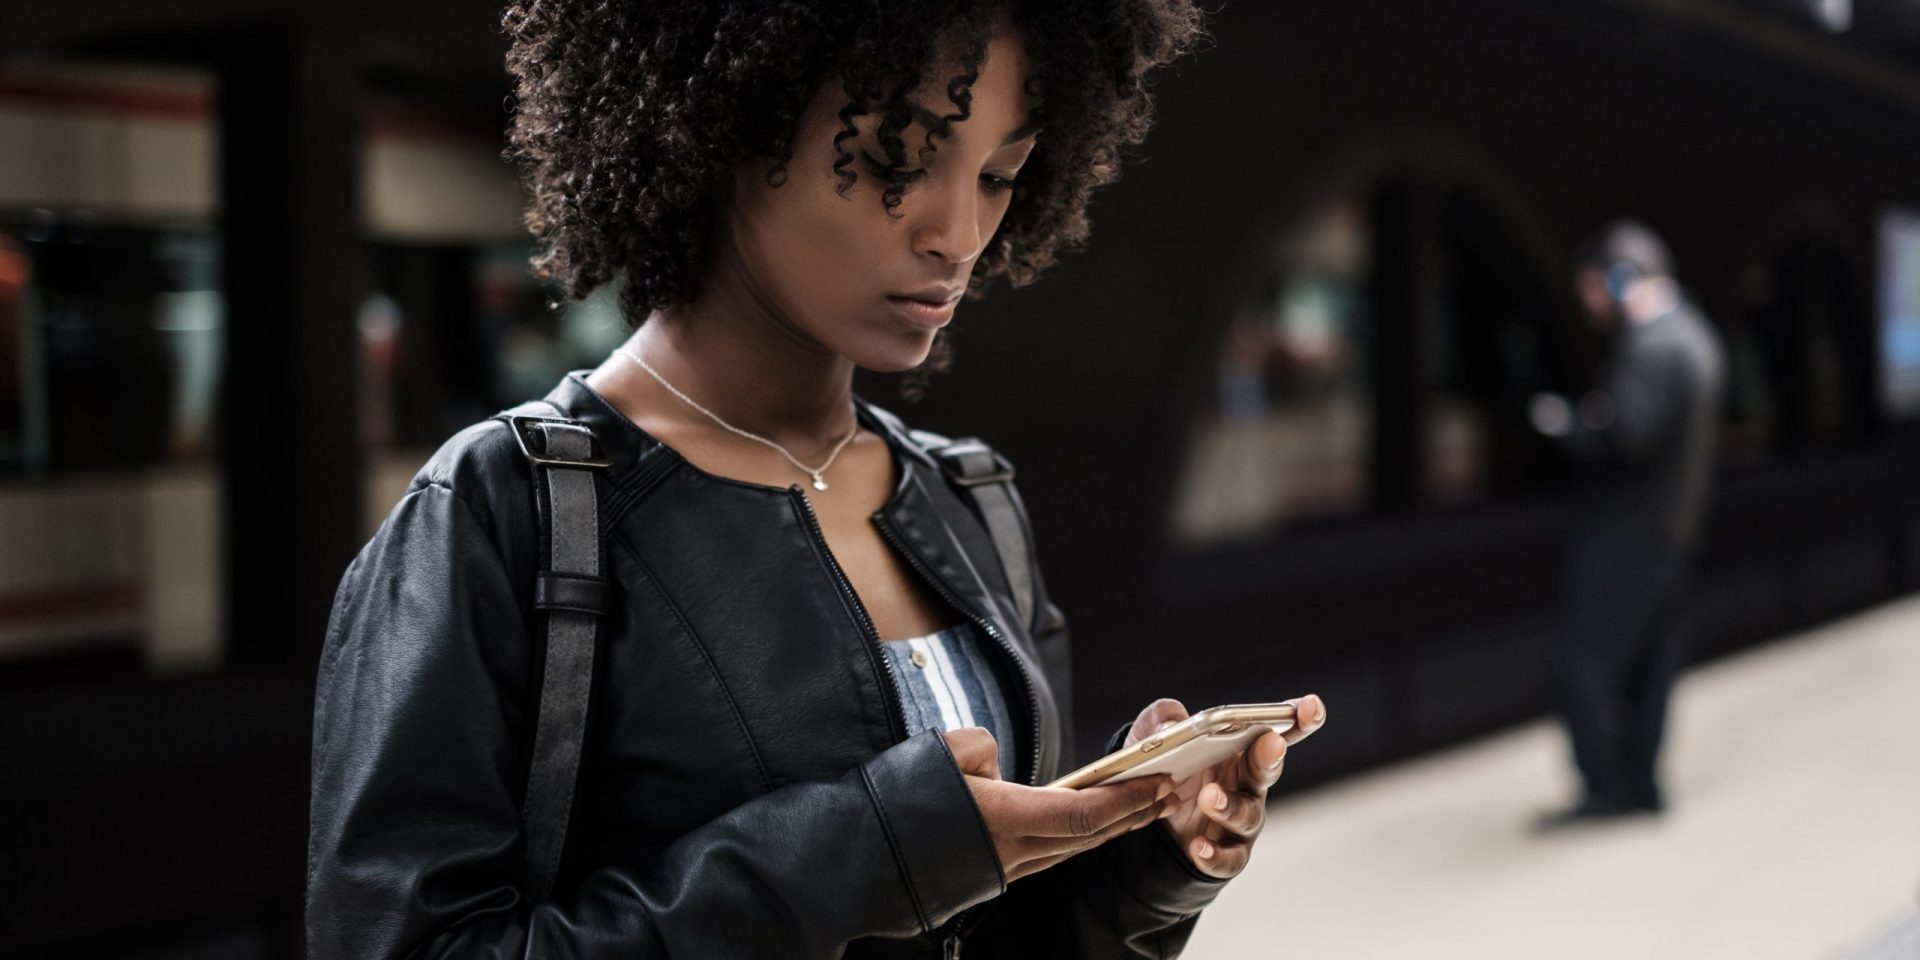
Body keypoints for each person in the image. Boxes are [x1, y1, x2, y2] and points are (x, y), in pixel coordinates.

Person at [305, 2, 1328, 958]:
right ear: (728, 116)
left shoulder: (967, 502)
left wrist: (1138, 853)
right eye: (899, 156)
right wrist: (857, 857)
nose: (958, 236)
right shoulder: (500, 514)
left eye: (999, 174)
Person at [1528, 219, 1726, 828]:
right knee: (1652, 672)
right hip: (1675, 536)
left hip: (1626, 539)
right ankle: (1641, 781)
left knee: (1586, 665)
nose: (1592, 306)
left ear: (1619, 280)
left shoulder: (1651, 347)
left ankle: (1605, 788)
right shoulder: (1696, 337)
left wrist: (1569, 428)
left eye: (1594, 290)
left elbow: (1626, 438)